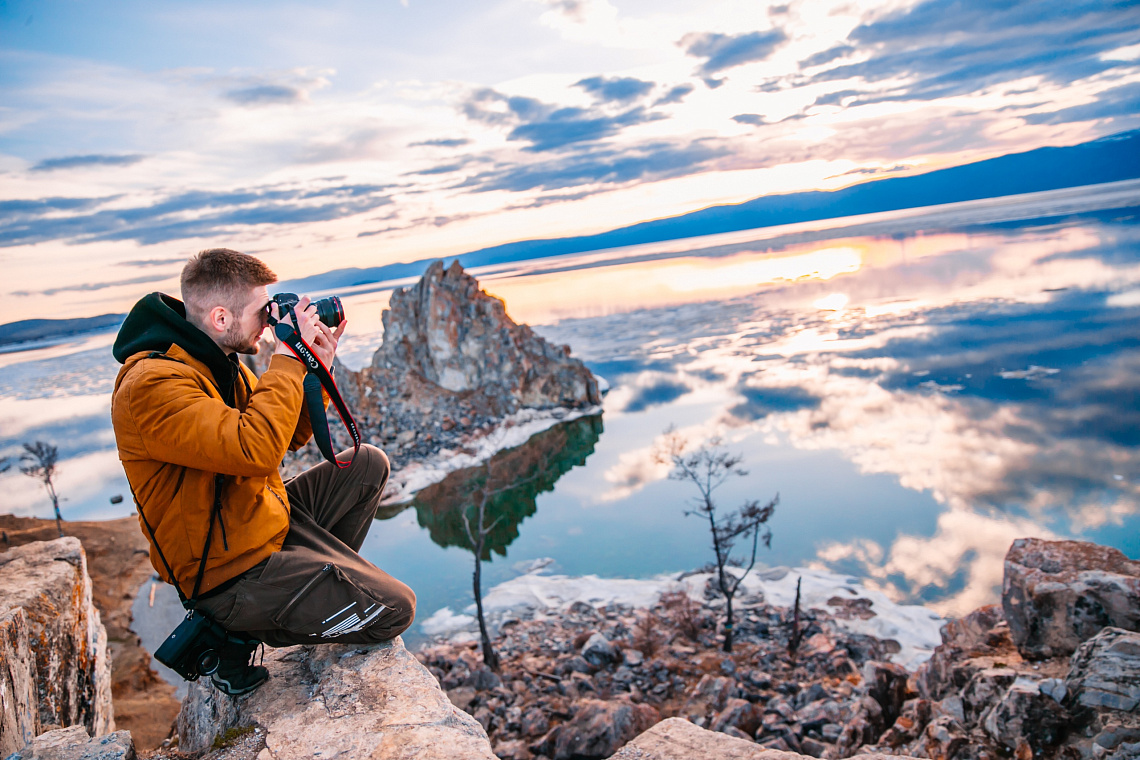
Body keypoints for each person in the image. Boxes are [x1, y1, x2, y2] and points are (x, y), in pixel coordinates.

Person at [111, 248, 415, 695]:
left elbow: (285, 436)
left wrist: (318, 368)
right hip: (226, 570)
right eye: (262, 312)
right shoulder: (151, 386)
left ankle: (314, 581)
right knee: (394, 609)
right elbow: (254, 450)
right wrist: (287, 358)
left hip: (256, 521)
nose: (272, 322)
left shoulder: (215, 363)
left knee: (366, 464)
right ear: (220, 317)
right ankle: (237, 635)